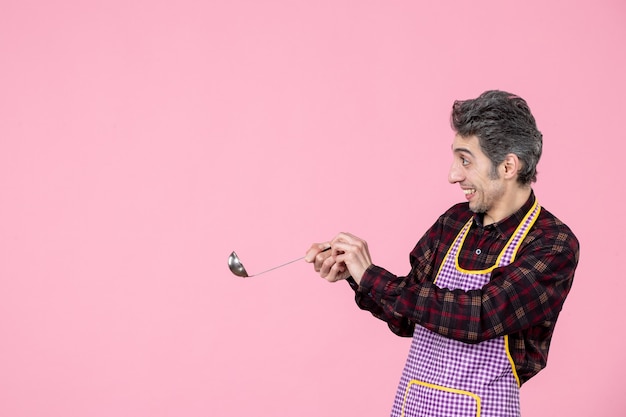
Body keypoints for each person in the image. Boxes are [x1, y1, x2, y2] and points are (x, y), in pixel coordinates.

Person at [305, 90, 579, 417]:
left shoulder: (552, 243)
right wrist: (355, 273)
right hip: (413, 405)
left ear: (508, 166)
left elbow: (481, 315)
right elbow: (408, 318)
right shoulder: (453, 222)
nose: (452, 175)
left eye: (465, 160)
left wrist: (374, 279)